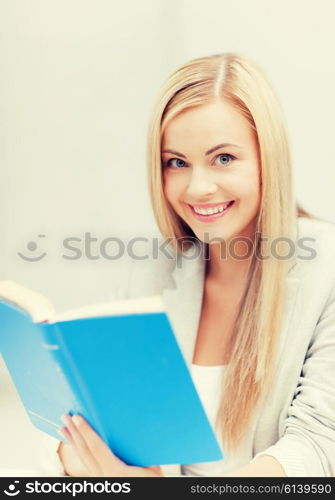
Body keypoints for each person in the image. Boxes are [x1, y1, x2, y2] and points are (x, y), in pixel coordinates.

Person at [39, 52, 335, 477]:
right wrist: (83, 457)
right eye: (177, 162)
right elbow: (93, 420)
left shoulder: (326, 267)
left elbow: (319, 445)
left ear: (268, 159)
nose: (198, 188)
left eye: (224, 158)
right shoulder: (154, 270)